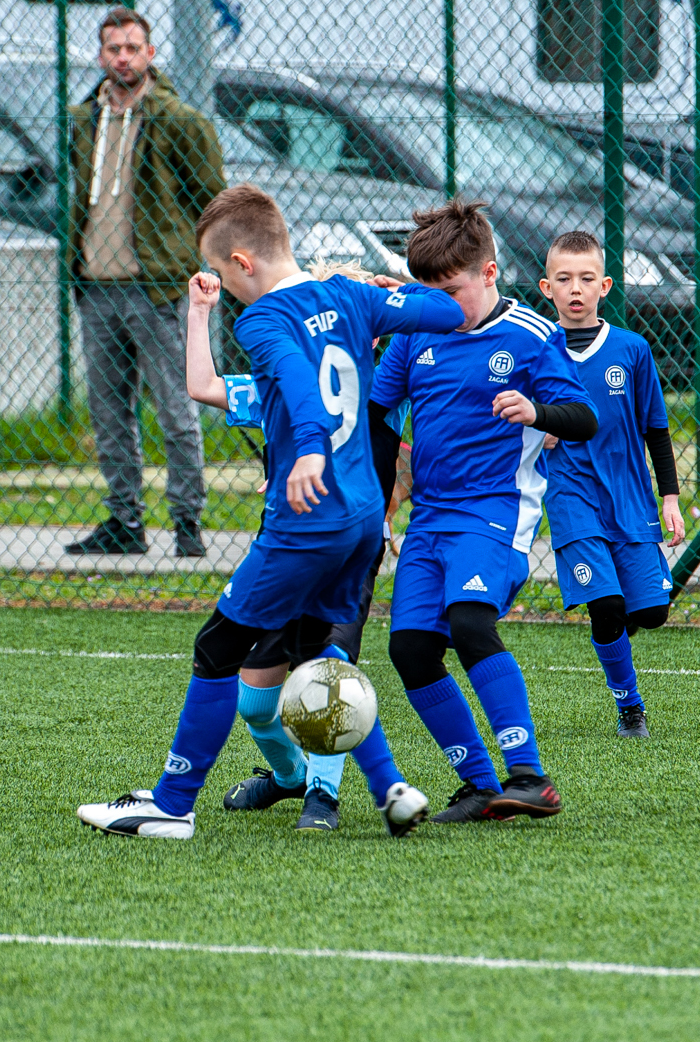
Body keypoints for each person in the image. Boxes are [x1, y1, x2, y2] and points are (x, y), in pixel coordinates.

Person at [75, 186, 466, 841]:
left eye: (220, 273)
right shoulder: (349, 296)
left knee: (216, 647)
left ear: (242, 262)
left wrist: (308, 450)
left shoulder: (262, 320)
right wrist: (390, 290)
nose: (224, 286)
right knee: (318, 652)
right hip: (363, 516)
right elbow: (447, 311)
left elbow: (296, 376)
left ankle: (172, 803)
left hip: (307, 519)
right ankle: (390, 787)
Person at [371, 201, 599, 825]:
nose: (440, 305)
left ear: (489, 272)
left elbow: (584, 417)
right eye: (429, 292)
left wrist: (537, 412)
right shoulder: (415, 331)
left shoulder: (531, 335)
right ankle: (477, 786)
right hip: (428, 519)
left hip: (495, 511)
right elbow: (378, 417)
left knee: (470, 622)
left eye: (451, 291)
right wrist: (376, 504)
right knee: (410, 650)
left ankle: (529, 777)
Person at [182, 261, 394, 830]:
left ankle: (323, 796)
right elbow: (204, 387)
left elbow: (422, 449)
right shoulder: (285, 381)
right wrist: (199, 312)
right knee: (254, 699)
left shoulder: (388, 382)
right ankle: (290, 776)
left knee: (326, 671)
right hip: (288, 543)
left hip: (348, 547)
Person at [62, 7, 227, 559]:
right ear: (101, 55)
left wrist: (202, 265)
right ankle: (125, 520)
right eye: (114, 49)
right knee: (109, 412)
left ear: (150, 54)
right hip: (96, 287)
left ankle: (187, 521)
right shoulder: (84, 118)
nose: (123, 58)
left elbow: (213, 200)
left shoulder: (179, 121)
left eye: (133, 48)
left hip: (156, 287)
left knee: (176, 408)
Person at [538, 230, 686, 738]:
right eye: (564, 279)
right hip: (571, 495)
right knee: (606, 606)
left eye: (586, 279)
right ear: (547, 288)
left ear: (605, 286)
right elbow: (509, 417)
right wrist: (538, 432)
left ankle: (617, 630)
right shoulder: (536, 351)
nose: (575, 289)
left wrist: (670, 498)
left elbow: (656, 428)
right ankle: (630, 707)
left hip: (629, 497)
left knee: (653, 612)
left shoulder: (632, 348)